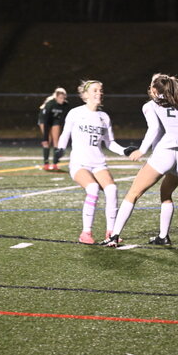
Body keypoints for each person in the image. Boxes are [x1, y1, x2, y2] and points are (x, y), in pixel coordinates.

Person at [101, 73, 178, 247]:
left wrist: (142, 150)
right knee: (166, 194)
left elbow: (153, 128)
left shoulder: (150, 105)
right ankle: (163, 236)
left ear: (153, 89)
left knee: (133, 194)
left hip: (164, 153)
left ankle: (114, 236)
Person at [56, 80, 137, 244]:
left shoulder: (104, 117)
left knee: (112, 189)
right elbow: (65, 134)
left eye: (101, 90)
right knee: (92, 188)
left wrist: (124, 150)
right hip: (79, 163)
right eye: (95, 90)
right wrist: (60, 149)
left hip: (98, 163)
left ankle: (111, 233)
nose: (99, 93)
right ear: (85, 94)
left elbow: (110, 143)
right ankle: (86, 232)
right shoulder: (75, 113)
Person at [37, 87, 70, 170]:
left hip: (55, 120)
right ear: (56, 97)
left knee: (56, 140)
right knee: (47, 140)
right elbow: (45, 120)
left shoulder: (65, 105)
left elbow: (63, 119)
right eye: (60, 98)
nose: (62, 100)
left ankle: (55, 163)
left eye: (63, 98)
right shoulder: (50, 104)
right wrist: (45, 138)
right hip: (45, 121)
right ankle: (46, 163)